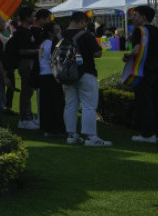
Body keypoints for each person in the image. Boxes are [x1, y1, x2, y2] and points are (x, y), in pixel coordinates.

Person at [61, 11, 110, 146]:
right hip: (86, 73)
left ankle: (71, 135)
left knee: (70, 104)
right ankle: (91, 137)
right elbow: (97, 53)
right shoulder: (86, 35)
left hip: (66, 74)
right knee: (89, 106)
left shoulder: (61, 35)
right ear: (82, 21)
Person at [126, 5, 158, 143]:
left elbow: (136, 50)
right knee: (156, 100)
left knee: (145, 101)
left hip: (142, 69)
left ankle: (148, 134)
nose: (133, 18)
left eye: (135, 15)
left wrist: (127, 55)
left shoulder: (139, 31)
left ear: (143, 17)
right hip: (157, 69)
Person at [8, 6, 40, 129]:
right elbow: (21, 51)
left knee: (29, 91)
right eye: (32, 16)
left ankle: (28, 116)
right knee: (26, 91)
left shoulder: (26, 31)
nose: (34, 18)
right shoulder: (22, 32)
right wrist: (38, 51)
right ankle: (25, 118)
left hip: (28, 62)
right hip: (26, 63)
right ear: (27, 17)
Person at [36, 21, 66, 137]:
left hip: (43, 74)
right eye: (57, 31)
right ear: (50, 32)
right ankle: (56, 128)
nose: (59, 33)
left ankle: (47, 127)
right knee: (56, 103)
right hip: (51, 75)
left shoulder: (42, 44)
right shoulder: (52, 44)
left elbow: (40, 59)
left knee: (46, 103)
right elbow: (55, 61)